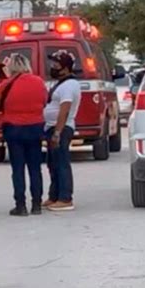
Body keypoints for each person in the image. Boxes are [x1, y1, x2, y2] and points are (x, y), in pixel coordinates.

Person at [0, 54, 47, 216]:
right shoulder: (39, 82)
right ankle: (37, 204)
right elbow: (45, 101)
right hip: (35, 127)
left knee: (18, 168)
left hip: (14, 128)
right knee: (35, 168)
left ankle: (20, 205)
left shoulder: (6, 84)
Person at [43, 51, 81, 212]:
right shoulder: (60, 83)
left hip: (62, 128)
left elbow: (64, 110)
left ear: (65, 67)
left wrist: (57, 132)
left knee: (61, 163)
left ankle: (65, 198)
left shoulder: (69, 85)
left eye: (56, 64)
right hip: (51, 127)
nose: (53, 67)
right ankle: (54, 196)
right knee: (53, 163)